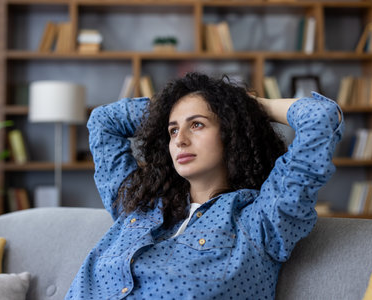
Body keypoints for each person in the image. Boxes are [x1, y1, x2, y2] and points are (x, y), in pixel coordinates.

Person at [65, 72, 343, 299]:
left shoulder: (262, 221)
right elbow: (103, 121)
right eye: (172, 129)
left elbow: (321, 117)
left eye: (196, 125)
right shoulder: (138, 204)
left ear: (231, 132)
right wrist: (174, 106)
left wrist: (247, 107)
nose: (180, 140)